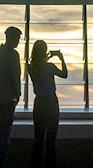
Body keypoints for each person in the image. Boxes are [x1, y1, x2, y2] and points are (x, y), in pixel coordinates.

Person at [28, 39, 67, 168]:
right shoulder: (50, 67)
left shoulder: (30, 67)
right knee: (51, 140)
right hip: (51, 103)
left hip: (38, 103)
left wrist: (46, 57)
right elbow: (64, 74)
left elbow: (39, 67)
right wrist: (61, 58)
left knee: (38, 139)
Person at [0, 26, 22, 168]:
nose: (18, 42)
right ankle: (1, 163)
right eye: (18, 39)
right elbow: (16, 77)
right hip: (8, 99)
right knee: (4, 135)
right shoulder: (13, 55)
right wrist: (17, 94)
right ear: (12, 38)